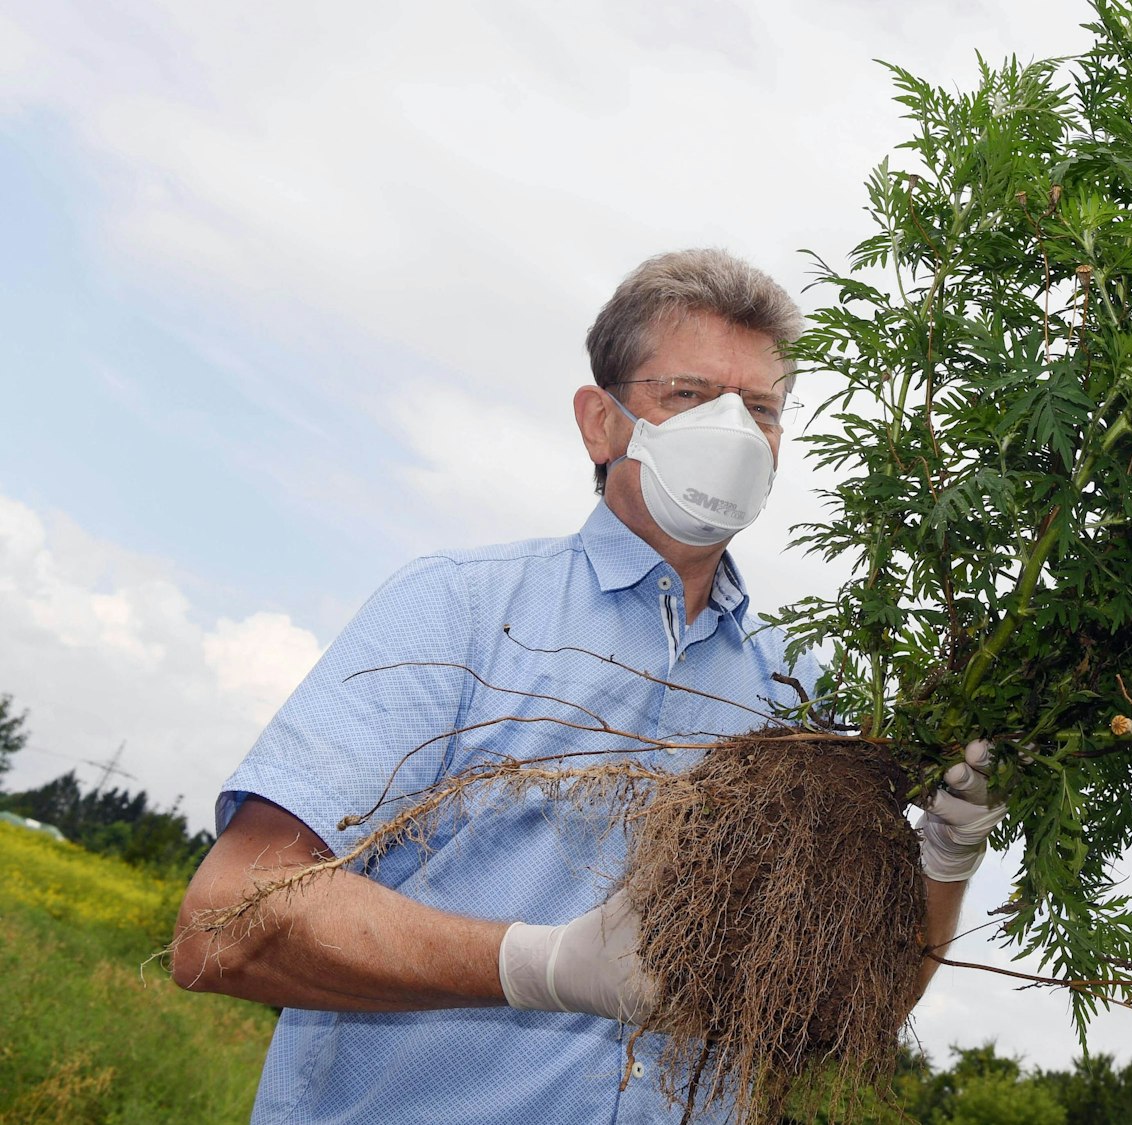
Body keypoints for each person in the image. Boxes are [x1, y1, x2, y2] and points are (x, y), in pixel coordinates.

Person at [170, 249, 1005, 1122]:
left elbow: (841, 1007)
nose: (731, 428)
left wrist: (946, 855)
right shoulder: (460, 612)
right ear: (600, 423)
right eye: (687, 395)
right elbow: (224, 922)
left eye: (760, 407)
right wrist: (538, 963)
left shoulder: (802, 697)